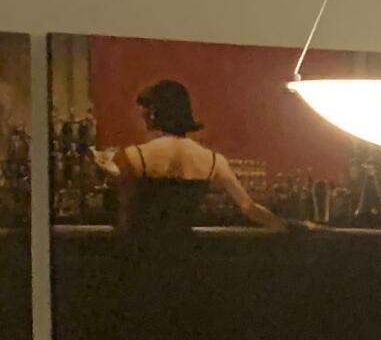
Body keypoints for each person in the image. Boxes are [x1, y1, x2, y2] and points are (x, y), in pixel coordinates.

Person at [92, 79, 290, 240]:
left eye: (145, 108)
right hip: (186, 254)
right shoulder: (213, 160)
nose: (142, 114)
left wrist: (111, 175)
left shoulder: (134, 156)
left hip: (143, 254)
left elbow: (126, 213)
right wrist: (289, 228)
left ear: (154, 113)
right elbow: (249, 207)